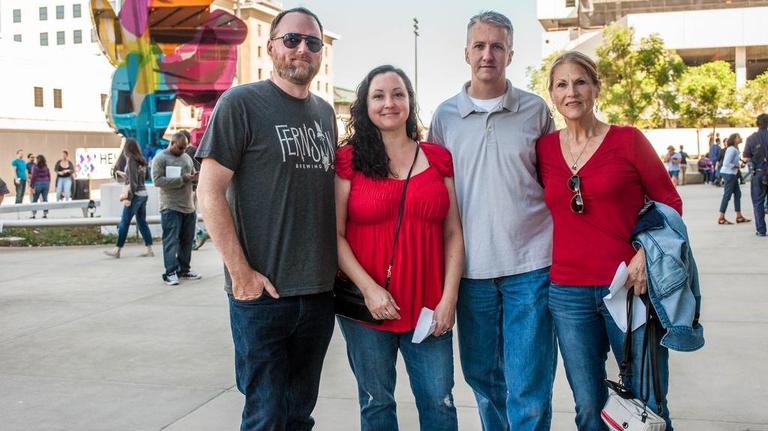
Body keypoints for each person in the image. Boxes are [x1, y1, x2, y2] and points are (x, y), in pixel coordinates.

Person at [195, 7, 338, 431]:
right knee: (264, 415)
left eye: (312, 42)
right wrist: (241, 274)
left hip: (317, 293)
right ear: (270, 46)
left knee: (298, 415)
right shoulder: (241, 103)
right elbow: (209, 192)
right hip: (262, 296)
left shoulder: (325, 113)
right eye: (291, 39)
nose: (302, 49)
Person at [536, 51, 683, 430]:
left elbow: (670, 201)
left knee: (647, 402)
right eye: (562, 84)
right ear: (552, 94)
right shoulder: (544, 150)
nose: (572, 92)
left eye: (581, 82)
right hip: (567, 293)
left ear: (596, 88)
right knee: (588, 406)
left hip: (629, 288)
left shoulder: (628, 140)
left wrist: (644, 254)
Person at [429, 11, 557, 431]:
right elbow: (434, 196)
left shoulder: (536, 111)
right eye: (480, 46)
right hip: (470, 271)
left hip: (530, 266)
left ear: (510, 53)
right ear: (466, 53)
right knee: (483, 378)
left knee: (529, 385)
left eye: (497, 46)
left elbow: (554, 180)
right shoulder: (445, 117)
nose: (488, 54)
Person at [335, 65, 464, 431]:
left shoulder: (438, 159)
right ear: (365, 105)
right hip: (368, 309)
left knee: (439, 402)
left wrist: (449, 298)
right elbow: (335, 235)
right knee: (377, 404)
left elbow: (453, 232)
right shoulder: (348, 160)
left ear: (410, 101)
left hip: (429, 308)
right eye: (379, 95)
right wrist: (369, 289)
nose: (389, 103)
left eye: (398, 94)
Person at [152, 131, 201, 286]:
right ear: (172, 143)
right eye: (180, 148)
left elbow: (191, 177)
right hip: (170, 206)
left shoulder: (186, 158)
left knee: (187, 240)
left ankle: (184, 269)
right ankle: (170, 272)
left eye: (185, 148)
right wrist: (182, 179)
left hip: (188, 206)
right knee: (171, 241)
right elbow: (157, 181)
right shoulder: (161, 158)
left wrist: (194, 178)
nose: (182, 151)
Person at [104, 139, 154, 258]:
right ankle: (149, 249)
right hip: (143, 194)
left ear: (127, 148)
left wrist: (128, 197)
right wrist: (126, 175)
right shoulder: (141, 160)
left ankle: (117, 250)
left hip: (135, 195)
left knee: (124, 222)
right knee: (142, 222)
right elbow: (140, 177)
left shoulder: (131, 160)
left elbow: (134, 183)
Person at [744, 113, 768, 237]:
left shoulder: (751, 138)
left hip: (758, 173)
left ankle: (761, 230)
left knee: (758, 202)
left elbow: (747, 157)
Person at [718, 134, 750, 225]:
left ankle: (739, 216)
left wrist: (740, 164)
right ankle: (721, 217)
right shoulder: (731, 149)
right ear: (734, 140)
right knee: (727, 195)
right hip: (729, 174)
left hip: (732, 174)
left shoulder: (735, 149)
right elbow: (726, 163)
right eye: (738, 137)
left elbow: (733, 162)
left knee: (738, 194)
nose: (741, 138)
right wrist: (737, 165)